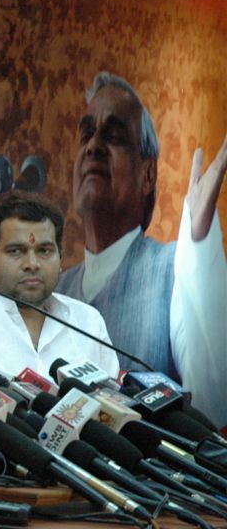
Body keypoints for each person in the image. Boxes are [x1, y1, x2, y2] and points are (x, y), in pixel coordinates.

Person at [55, 72, 227, 426]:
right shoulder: (55, 291)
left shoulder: (173, 269)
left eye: (113, 136)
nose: (93, 146)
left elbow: (213, 400)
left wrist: (199, 239)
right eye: (86, 134)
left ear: (148, 175)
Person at [0, 191, 119, 384]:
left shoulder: (88, 322)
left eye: (44, 251)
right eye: (16, 251)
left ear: (60, 257)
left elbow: (114, 409)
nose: (32, 264)